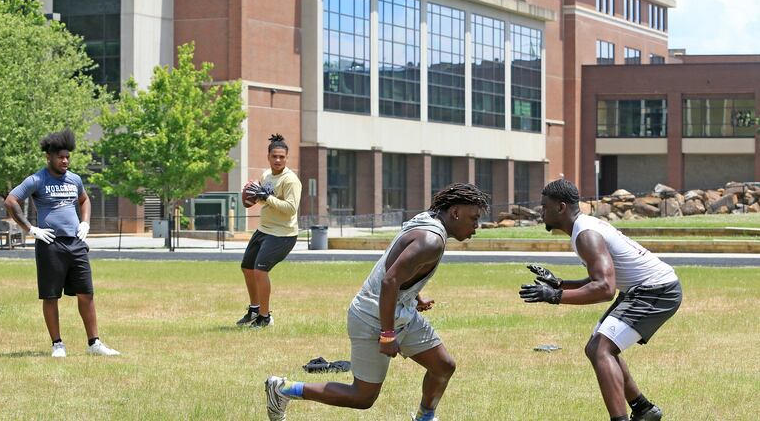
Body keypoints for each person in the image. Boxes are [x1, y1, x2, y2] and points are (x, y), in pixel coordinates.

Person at [264, 183, 490, 421]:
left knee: (443, 366)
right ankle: (283, 389)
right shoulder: (431, 240)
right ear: (455, 212)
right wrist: (388, 334)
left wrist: (415, 295)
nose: (477, 226)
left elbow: (399, 268)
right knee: (362, 397)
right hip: (373, 317)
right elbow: (390, 281)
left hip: (400, 311)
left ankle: (425, 417)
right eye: (473, 218)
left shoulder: (428, 220)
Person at [519, 179, 681, 421]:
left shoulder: (586, 235)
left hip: (656, 290)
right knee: (596, 348)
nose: (541, 212)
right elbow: (601, 279)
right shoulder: (583, 228)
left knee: (601, 349)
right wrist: (559, 284)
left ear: (561, 207)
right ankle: (644, 410)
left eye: (544, 206)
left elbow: (605, 289)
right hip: (642, 289)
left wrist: (554, 297)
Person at [4, 129, 119, 358]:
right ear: (49, 157)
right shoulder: (37, 179)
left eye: (67, 157)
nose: (65, 160)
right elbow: (11, 200)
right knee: (50, 296)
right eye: (60, 157)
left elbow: (84, 199)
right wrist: (31, 229)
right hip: (50, 245)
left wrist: (85, 223)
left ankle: (94, 343)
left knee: (86, 293)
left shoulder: (75, 179)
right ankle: (57, 344)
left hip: (76, 244)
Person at [236, 134, 302, 328]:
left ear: (287, 158)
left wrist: (267, 197)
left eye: (282, 157)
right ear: (269, 157)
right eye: (275, 156)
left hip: (283, 234)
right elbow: (263, 200)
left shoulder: (290, 180)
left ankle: (265, 318)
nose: (278, 160)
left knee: (260, 270)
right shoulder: (266, 176)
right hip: (264, 230)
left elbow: (291, 208)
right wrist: (253, 195)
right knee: (247, 267)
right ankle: (255, 309)